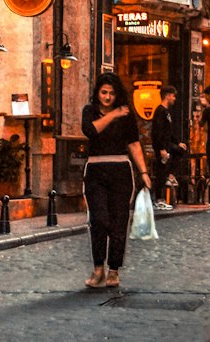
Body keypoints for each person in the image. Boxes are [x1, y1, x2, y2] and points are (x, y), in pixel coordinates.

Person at [80, 70, 152, 290]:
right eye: (104, 92)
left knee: (119, 221)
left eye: (111, 93)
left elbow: (133, 144)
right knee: (99, 220)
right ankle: (97, 268)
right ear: (97, 93)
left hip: (121, 170)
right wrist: (113, 114)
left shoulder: (127, 115)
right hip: (95, 170)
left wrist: (144, 172)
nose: (108, 97)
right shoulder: (90, 111)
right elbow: (91, 130)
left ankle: (113, 270)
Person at [151, 86, 187, 209]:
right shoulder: (160, 111)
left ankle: (170, 176)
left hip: (168, 145)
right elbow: (158, 131)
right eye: (173, 96)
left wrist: (177, 143)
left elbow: (169, 131)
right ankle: (158, 199)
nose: (174, 99)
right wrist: (161, 148)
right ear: (167, 96)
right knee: (160, 172)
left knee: (180, 151)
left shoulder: (166, 112)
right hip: (163, 147)